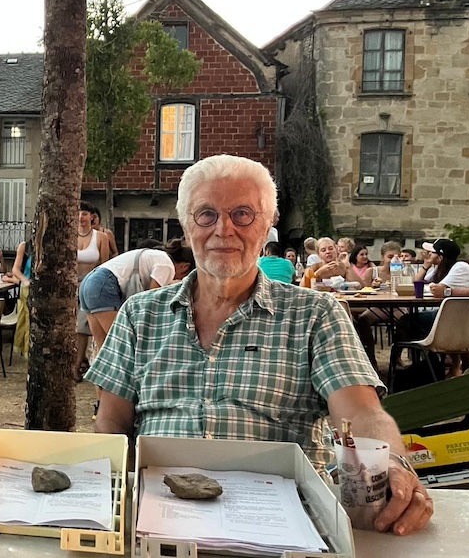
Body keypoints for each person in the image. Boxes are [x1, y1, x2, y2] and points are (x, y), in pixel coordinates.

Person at [86, 154, 432, 537]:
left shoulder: (315, 314)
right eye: (206, 215)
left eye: (243, 214)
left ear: (267, 225)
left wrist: (394, 464)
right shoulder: (139, 313)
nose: (224, 229)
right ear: (187, 226)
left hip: (281, 525)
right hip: (161, 519)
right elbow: (111, 422)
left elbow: (363, 414)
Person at [80, 238, 194, 353]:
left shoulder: (156, 256)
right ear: (185, 267)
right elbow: (150, 301)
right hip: (103, 285)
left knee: (104, 350)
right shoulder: (167, 265)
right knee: (122, 345)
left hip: (89, 282)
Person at [76, 201, 111, 379]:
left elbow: (104, 264)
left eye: (84, 213)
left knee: (82, 326)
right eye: (78, 213)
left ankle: (77, 365)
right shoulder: (69, 236)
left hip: (90, 283)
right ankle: (75, 362)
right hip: (70, 284)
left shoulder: (101, 237)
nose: (81, 217)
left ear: (92, 217)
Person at [11, 239, 33, 357]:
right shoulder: (25, 246)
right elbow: (15, 269)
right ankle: (26, 351)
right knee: (25, 320)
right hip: (26, 288)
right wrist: (24, 280)